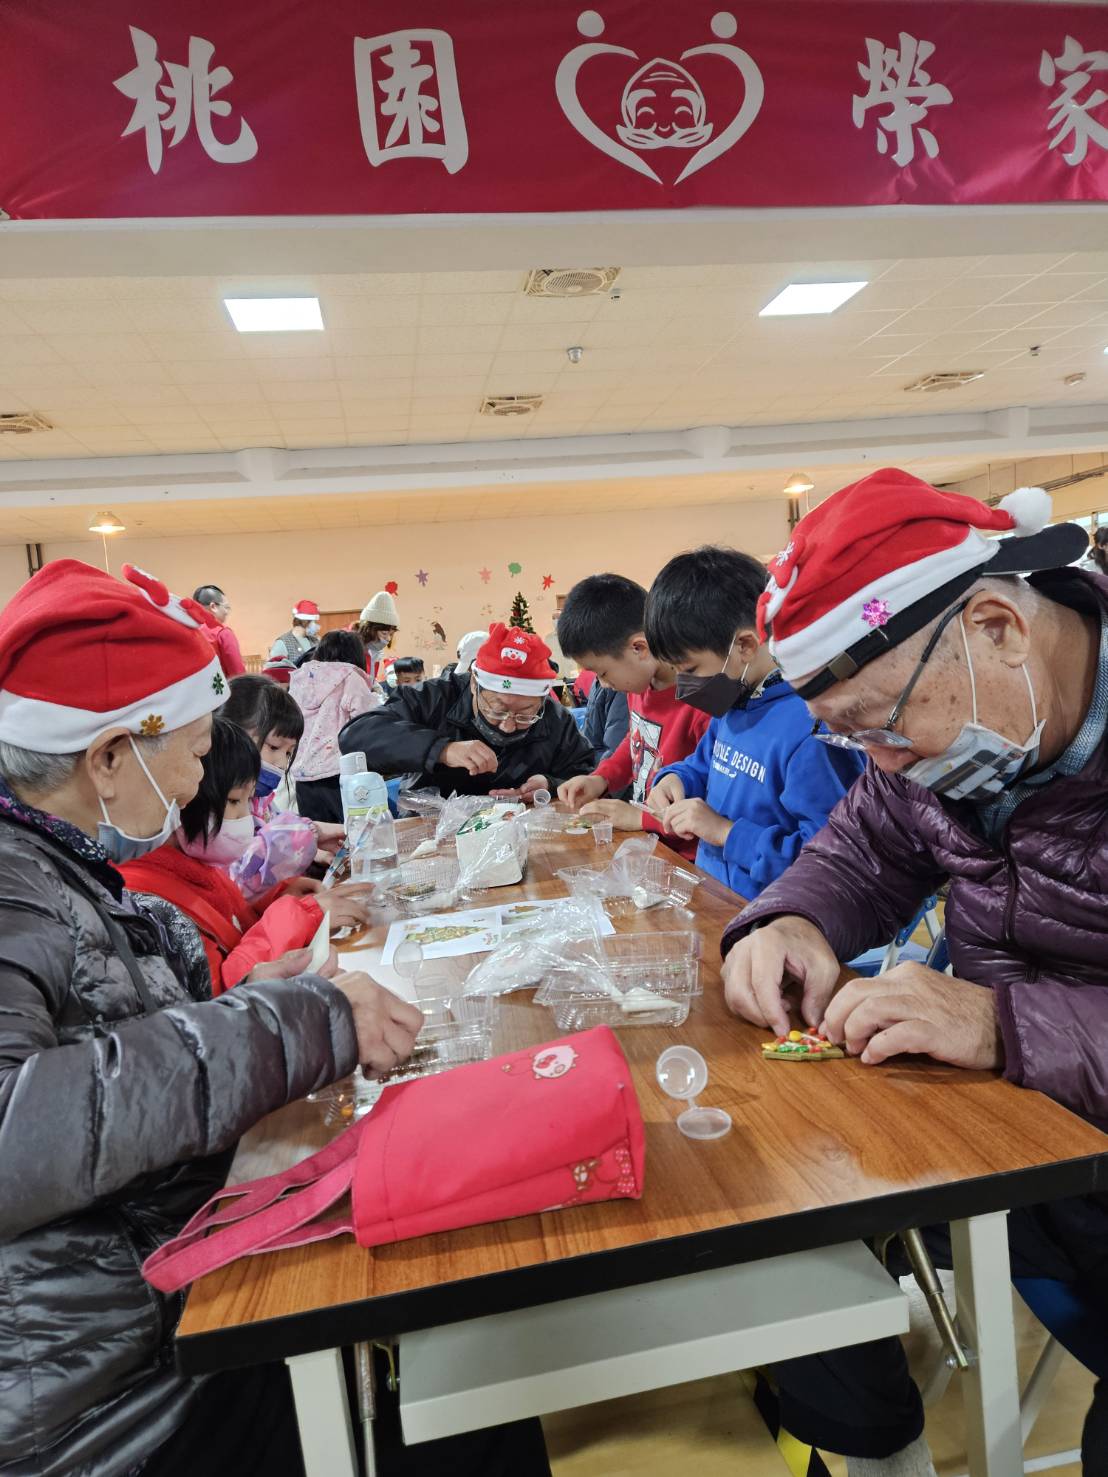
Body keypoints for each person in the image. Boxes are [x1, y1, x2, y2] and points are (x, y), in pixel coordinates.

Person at [720, 469, 1108, 1474]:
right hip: (1036, 1149)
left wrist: (1002, 1024)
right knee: (779, 1224)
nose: (879, 762)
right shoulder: (948, 738)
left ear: (997, 628)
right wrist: (789, 920)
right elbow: (863, 845)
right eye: (850, 738)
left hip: (1057, 1121)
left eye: (885, 725)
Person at [0, 558, 423, 1477]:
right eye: (193, 750)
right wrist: (297, 1021)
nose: (202, 773)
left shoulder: (65, 877)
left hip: (158, 1319)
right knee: (440, 1410)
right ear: (109, 757)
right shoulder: (12, 887)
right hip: (107, 1410)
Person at [641, 547, 865, 897]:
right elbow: (702, 765)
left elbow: (832, 861)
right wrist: (675, 779)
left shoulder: (812, 729)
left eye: (690, 670)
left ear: (745, 645)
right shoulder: (736, 700)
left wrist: (726, 833)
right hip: (717, 897)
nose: (685, 686)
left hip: (775, 917)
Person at [122, 717, 373, 990]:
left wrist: (276, 895)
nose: (246, 820)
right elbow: (227, 989)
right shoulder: (148, 903)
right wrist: (302, 915)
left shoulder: (194, 862)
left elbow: (232, 918)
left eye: (247, 801)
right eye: (233, 802)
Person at [339, 623, 595, 799]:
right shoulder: (434, 698)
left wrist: (549, 784)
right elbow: (355, 737)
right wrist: (440, 749)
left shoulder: (554, 717)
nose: (507, 725)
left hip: (524, 834)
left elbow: (585, 772)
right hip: (434, 836)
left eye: (525, 715)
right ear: (474, 684)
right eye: (497, 709)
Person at [555, 574, 711, 855]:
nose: (603, 684)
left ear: (639, 648)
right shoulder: (639, 685)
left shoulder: (701, 701)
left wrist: (638, 818)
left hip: (687, 856)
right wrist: (601, 778)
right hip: (649, 842)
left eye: (603, 673)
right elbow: (637, 742)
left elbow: (711, 803)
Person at [220, 675, 343, 895]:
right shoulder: (220, 802)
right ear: (230, 734)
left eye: (288, 752)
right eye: (274, 747)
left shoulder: (261, 800)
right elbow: (239, 876)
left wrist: (313, 852)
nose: (280, 763)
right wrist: (311, 833)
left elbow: (271, 829)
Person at [290, 630, 381, 824]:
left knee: (318, 839)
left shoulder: (300, 678)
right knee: (353, 834)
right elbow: (367, 720)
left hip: (302, 776)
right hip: (339, 774)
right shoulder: (350, 676)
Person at [192, 583, 246, 677]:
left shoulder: (187, 630)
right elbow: (238, 674)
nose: (227, 612)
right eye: (226, 607)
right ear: (213, 607)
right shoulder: (222, 633)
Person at [356, 590, 400, 685]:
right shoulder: (349, 648)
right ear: (368, 629)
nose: (388, 639)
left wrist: (374, 685)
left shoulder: (374, 652)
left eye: (391, 634)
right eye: (384, 633)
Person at [582, 681, 630, 764]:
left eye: (603, 674)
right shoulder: (597, 682)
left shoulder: (619, 688)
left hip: (603, 759)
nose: (603, 683)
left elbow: (614, 746)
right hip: (592, 754)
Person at [270, 598, 321, 664]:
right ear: (305, 621)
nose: (317, 626)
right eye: (314, 622)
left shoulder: (315, 641)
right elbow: (274, 670)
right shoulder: (283, 642)